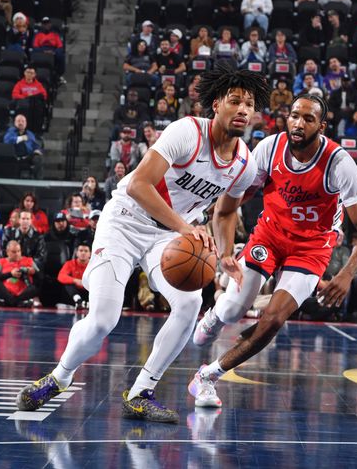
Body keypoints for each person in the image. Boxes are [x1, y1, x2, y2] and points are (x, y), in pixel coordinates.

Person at [16, 66, 270, 424]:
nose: (244, 109)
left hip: (167, 236)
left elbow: (226, 212)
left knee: (190, 303)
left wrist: (226, 253)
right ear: (216, 104)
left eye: (250, 103)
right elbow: (138, 185)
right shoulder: (187, 132)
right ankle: (60, 376)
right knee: (104, 318)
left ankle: (140, 393)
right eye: (235, 101)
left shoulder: (244, 163)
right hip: (125, 220)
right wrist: (186, 227)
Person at [189, 95, 357, 408]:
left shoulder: (339, 162)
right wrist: (215, 225)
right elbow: (235, 200)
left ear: (322, 126)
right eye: (294, 116)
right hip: (270, 234)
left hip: (312, 247)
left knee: (273, 319)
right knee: (235, 308)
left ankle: (208, 376)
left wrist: (346, 275)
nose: (299, 124)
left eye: (308, 119)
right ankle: (217, 316)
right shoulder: (269, 148)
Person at [0, 240, 39, 307]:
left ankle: (12, 302)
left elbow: (40, 275)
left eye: (19, 251)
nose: (17, 254)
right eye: (14, 252)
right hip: (6, 292)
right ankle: (16, 302)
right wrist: (10, 274)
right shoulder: (1, 261)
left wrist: (33, 272)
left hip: (23, 292)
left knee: (34, 288)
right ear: (7, 252)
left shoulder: (29, 260)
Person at [3, 114, 43, 179]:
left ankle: (38, 181)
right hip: (13, 156)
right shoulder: (11, 131)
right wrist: (21, 138)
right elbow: (6, 141)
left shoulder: (30, 134)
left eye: (23, 121)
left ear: (26, 123)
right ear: (15, 122)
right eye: (18, 121)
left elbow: (36, 145)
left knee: (38, 158)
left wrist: (37, 150)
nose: (21, 123)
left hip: (27, 156)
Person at [58, 242, 91, 309]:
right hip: (74, 293)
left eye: (86, 251)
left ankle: (89, 303)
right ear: (77, 253)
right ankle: (78, 300)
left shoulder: (93, 265)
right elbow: (61, 276)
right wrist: (75, 280)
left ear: (90, 254)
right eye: (81, 250)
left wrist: (85, 283)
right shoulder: (70, 263)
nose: (83, 253)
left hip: (89, 289)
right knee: (68, 285)